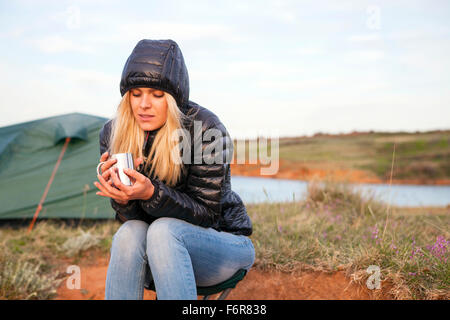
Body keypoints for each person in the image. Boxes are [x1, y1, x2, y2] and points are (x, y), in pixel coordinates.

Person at [94, 39, 255, 300]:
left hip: (221, 246)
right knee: (129, 233)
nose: (143, 105)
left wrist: (151, 193)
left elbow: (208, 214)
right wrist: (123, 199)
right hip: (159, 253)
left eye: (157, 95)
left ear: (174, 99)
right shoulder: (114, 132)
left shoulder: (204, 129)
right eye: (136, 94)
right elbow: (134, 221)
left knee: (164, 230)